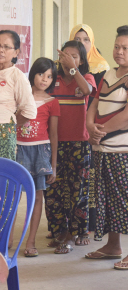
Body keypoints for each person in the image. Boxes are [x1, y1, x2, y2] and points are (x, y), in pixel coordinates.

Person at [45, 40, 96, 254]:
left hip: (79, 143)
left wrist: (74, 69)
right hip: (53, 143)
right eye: (64, 55)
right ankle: (60, 232)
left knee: (78, 189)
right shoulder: (52, 79)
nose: (67, 59)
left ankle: (80, 231)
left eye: (73, 56)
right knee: (54, 190)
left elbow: (87, 90)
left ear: (82, 60)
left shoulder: (86, 78)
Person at [84, 25, 128, 269]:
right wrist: (90, 127)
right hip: (102, 149)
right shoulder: (109, 74)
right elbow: (95, 102)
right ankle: (114, 246)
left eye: (125, 48)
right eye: (116, 46)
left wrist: (102, 132)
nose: (119, 51)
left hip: (122, 150)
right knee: (107, 200)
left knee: (125, 200)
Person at [15, 58, 60, 257]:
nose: (44, 79)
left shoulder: (53, 103)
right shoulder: (20, 96)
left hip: (41, 152)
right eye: (41, 74)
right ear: (33, 73)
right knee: (14, 196)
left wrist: (54, 165)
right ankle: (8, 237)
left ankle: (31, 241)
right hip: (18, 149)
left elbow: (54, 135)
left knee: (37, 196)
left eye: (49, 76)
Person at [69, 23, 111, 238]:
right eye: (77, 39)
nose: (82, 43)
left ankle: (91, 223)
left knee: (92, 178)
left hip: (92, 127)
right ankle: (68, 225)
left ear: (92, 42)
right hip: (71, 127)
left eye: (86, 40)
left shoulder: (101, 67)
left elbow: (100, 100)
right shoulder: (67, 64)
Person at [0, 30, 37, 161]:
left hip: (2, 134)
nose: (0, 50)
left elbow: (30, 111)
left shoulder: (17, 76)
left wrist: (8, 123)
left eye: (6, 47)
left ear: (16, 52)